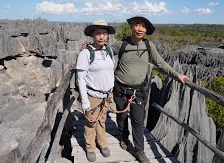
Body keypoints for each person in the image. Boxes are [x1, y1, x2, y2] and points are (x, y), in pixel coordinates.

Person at [80, 15, 188, 163]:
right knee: (122, 117)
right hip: (120, 89)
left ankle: (139, 151)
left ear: (146, 30)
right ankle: (123, 137)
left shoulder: (149, 46)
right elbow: (102, 51)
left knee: (138, 122)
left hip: (138, 91)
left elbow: (161, 63)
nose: (140, 29)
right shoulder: (121, 44)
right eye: (137, 25)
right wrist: (87, 47)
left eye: (143, 26)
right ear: (132, 27)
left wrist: (177, 75)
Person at [76, 19, 116, 162]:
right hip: (92, 95)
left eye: (104, 34)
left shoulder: (109, 50)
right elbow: (80, 78)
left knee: (102, 120)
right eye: (98, 33)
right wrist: (85, 101)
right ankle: (90, 148)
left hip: (106, 95)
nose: (101, 37)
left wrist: (110, 92)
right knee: (91, 122)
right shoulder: (86, 53)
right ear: (92, 35)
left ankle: (102, 144)